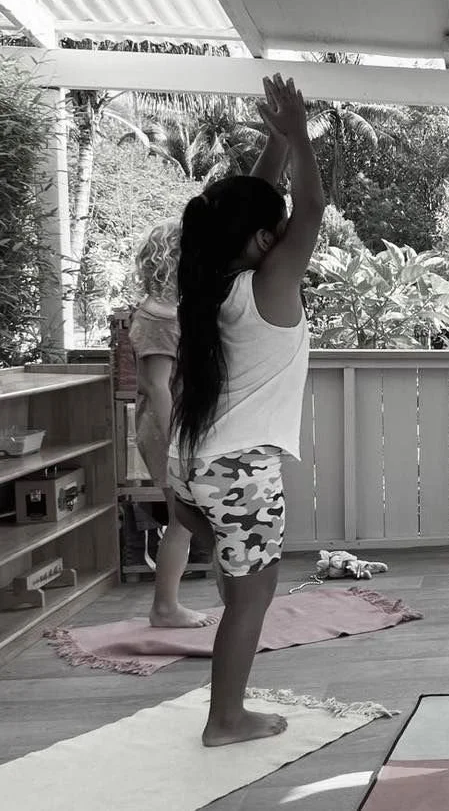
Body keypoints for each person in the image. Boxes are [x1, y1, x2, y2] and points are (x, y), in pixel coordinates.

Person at [168, 74, 321, 746]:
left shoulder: (215, 279)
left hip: (191, 466)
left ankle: (227, 702)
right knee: (252, 599)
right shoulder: (269, 281)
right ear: (263, 240)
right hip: (239, 473)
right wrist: (301, 136)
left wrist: (279, 139)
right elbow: (311, 206)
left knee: (237, 583)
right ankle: (225, 719)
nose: (290, 235)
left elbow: (264, 205)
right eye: (278, 231)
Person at [130, 219, 216, 628]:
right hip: (166, 430)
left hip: (177, 428)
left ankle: (167, 604)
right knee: (182, 518)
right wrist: (174, 444)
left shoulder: (170, 312)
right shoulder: (159, 317)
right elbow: (156, 386)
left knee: (186, 517)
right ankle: (164, 606)